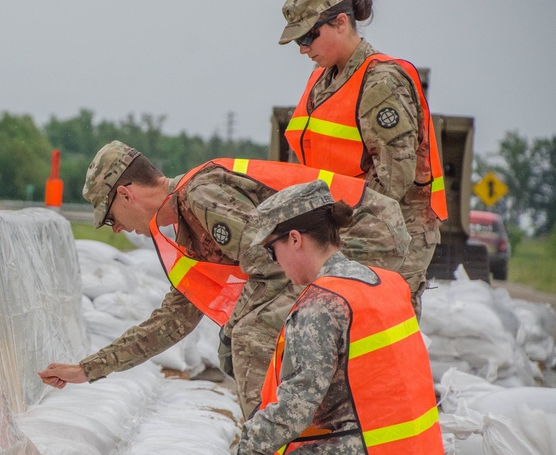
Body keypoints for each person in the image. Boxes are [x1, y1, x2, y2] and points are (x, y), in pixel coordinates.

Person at [179, 180, 462, 455]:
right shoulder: (385, 282)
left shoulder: (322, 304)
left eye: (272, 248)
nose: (273, 261)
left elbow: (296, 407)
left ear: (295, 239)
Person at [38, 140, 411, 419]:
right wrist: (88, 369)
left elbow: (274, 264)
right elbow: (170, 323)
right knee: (246, 338)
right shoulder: (187, 233)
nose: (116, 229)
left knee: (249, 337)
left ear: (126, 193)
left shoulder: (202, 196)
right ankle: (293, 453)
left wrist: (235, 329)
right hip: (333, 247)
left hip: (365, 234)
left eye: (110, 216)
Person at [278, 0, 447, 318]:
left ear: (341, 22)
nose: (303, 49)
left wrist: (331, 224)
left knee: (380, 330)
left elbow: (393, 179)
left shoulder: (381, 81)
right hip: (345, 225)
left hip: (390, 231)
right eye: (298, 41)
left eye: (310, 36)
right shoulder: (323, 79)